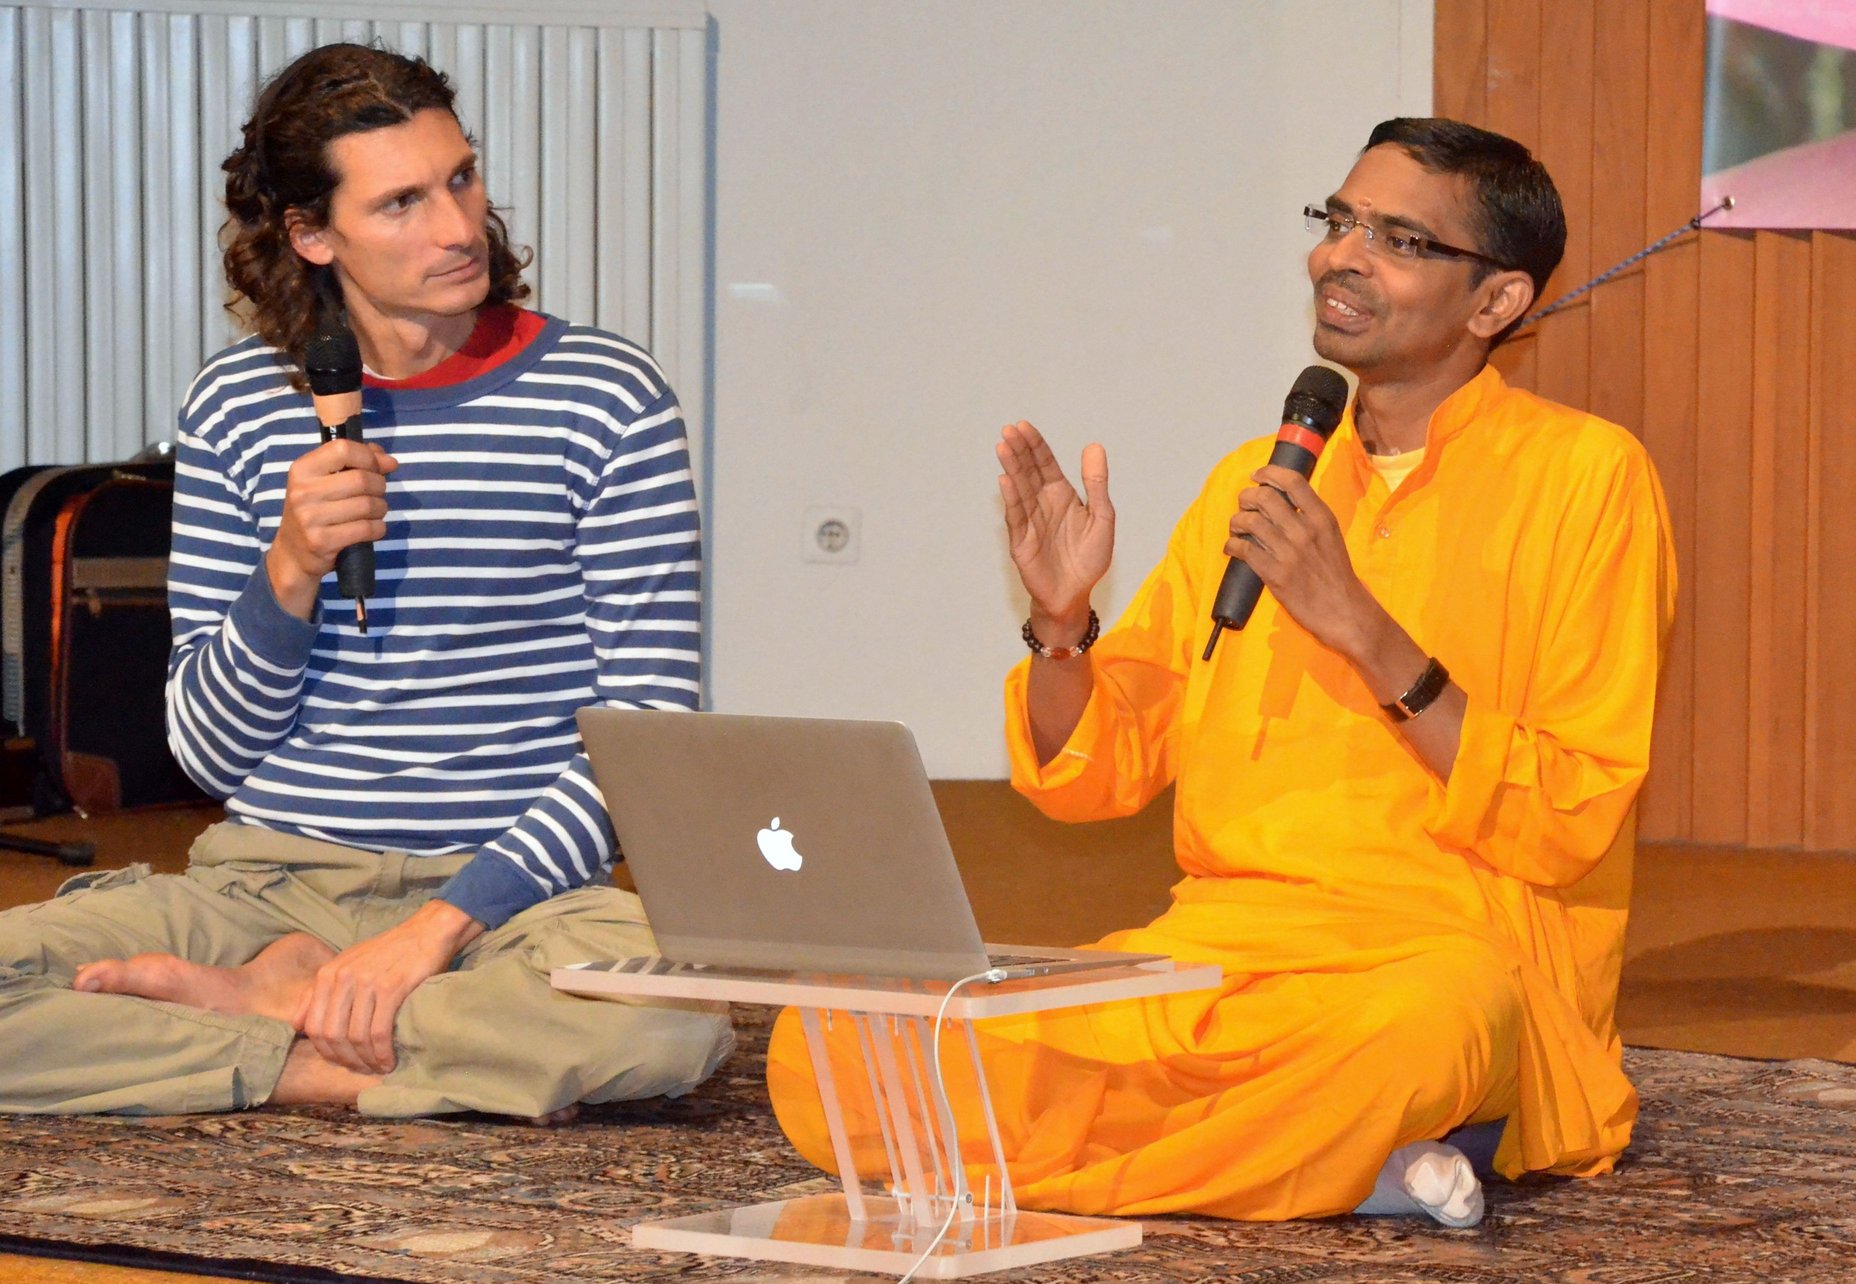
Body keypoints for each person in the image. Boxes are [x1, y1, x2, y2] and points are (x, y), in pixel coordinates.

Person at [766, 117, 1676, 1225]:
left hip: (1435, 959)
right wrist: (1061, 624)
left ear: (1496, 301)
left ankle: (1276, 1148)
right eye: (1339, 221)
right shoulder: (1262, 479)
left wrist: (1366, 632)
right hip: (1213, 954)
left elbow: (1572, 813)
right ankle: (1347, 1166)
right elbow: (1095, 774)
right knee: (827, 1046)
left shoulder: (1588, 479)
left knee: (1414, 1036)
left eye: (1396, 240)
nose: (1339, 257)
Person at [0, 42, 732, 1119]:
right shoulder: (237, 405)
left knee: (665, 1025)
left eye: (460, 179)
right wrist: (289, 570)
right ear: (310, 234)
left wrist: (433, 932)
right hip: (268, 884)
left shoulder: (605, 395)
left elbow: (648, 736)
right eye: (400, 203)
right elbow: (207, 752)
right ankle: (298, 1053)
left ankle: (257, 1019)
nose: (457, 227)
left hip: (510, 901)